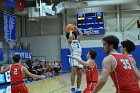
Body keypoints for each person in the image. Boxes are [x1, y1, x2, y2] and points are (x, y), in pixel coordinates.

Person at [66, 25, 83, 93]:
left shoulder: (77, 40)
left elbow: (81, 33)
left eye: (73, 34)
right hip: (74, 56)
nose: (72, 35)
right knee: (73, 72)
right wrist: (70, 30)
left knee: (80, 74)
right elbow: (70, 36)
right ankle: (72, 87)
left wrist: (75, 27)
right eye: (72, 34)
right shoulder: (69, 41)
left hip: (79, 57)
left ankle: (78, 88)